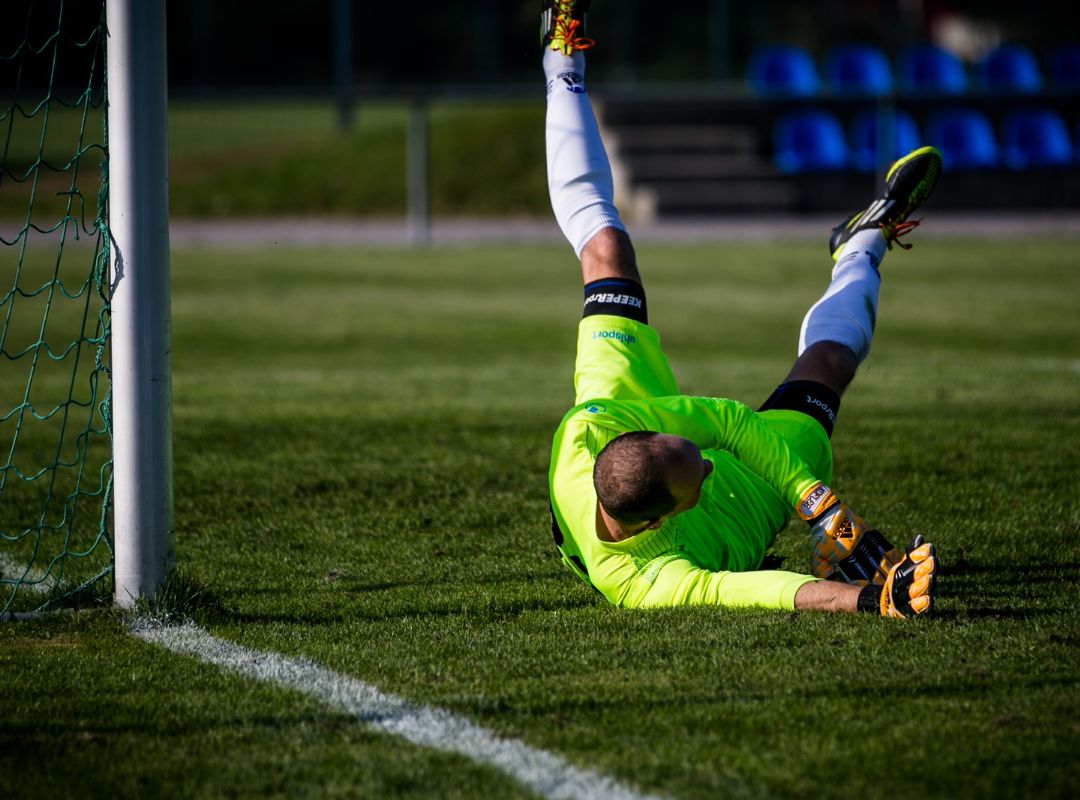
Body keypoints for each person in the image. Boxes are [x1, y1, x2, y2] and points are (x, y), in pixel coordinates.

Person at [542, 0, 940, 618]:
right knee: (828, 363)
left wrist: (822, 507)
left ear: (640, 433)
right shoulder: (644, 582)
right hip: (735, 512)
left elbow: (724, 424)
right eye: (696, 468)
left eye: (687, 448)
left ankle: (560, 65)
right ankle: (863, 242)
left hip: (622, 408)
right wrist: (868, 598)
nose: (709, 458)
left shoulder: (585, 434)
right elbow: (757, 590)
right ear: (666, 518)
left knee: (607, 250)